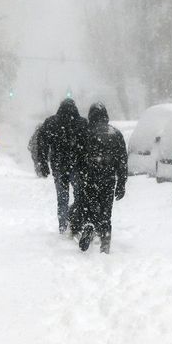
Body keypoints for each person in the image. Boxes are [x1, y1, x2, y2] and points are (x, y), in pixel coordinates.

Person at [75, 102, 127, 253]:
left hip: (89, 178)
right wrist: (121, 183)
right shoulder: (115, 134)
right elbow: (122, 161)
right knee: (106, 211)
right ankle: (105, 243)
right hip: (108, 178)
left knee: (89, 206)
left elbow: (79, 158)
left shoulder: (85, 133)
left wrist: (80, 177)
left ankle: (89, 225)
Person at [32, 98, 86, 233]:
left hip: (59, 166)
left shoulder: (51, 123)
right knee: (80, 195)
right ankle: (78, 220)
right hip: (77, 165)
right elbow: (88, 145)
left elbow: (42, 143)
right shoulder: (82, 123)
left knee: (62, 197)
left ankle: (63, 225)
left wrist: (43, 163)